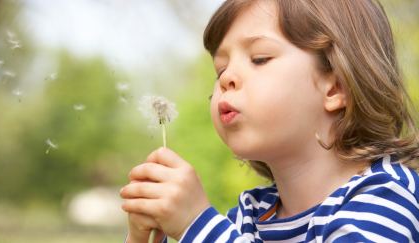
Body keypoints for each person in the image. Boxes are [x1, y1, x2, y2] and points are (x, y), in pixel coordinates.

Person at [120, 0, 419, 242]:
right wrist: (142, 237)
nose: (227, 79)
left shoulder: (385, 198)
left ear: (336, 86)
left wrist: (197, 225)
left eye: (259, 58)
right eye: (220, 69)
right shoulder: (250, 216)